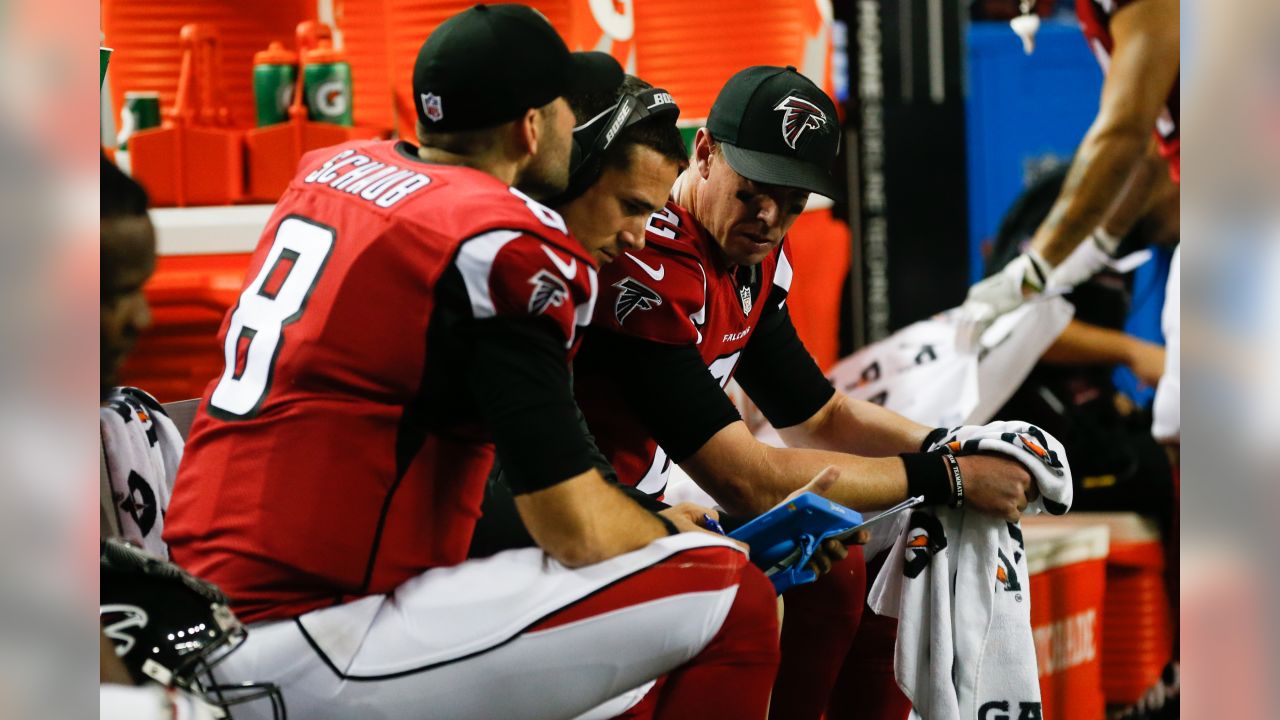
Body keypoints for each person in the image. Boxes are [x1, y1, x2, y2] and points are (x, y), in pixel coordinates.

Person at [162, 6, 779, 720]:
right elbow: (573, 527)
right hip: (311, 632)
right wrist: (670, 527)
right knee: (733, 592)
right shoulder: (504, 245)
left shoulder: (333, 170)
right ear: (533, 125)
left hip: (202, 597)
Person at [571, 66, 1051, 719]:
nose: (770, 218)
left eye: (794, 200)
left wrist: (952, 445)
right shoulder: (647, 257)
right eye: (754, 192)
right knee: (754, 585)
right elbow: (747, 480)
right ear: (705, 151)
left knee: (863, 553)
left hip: (652, 496)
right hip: (583, 509)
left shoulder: (752, 253)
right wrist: (947, 475)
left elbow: (817, 414)